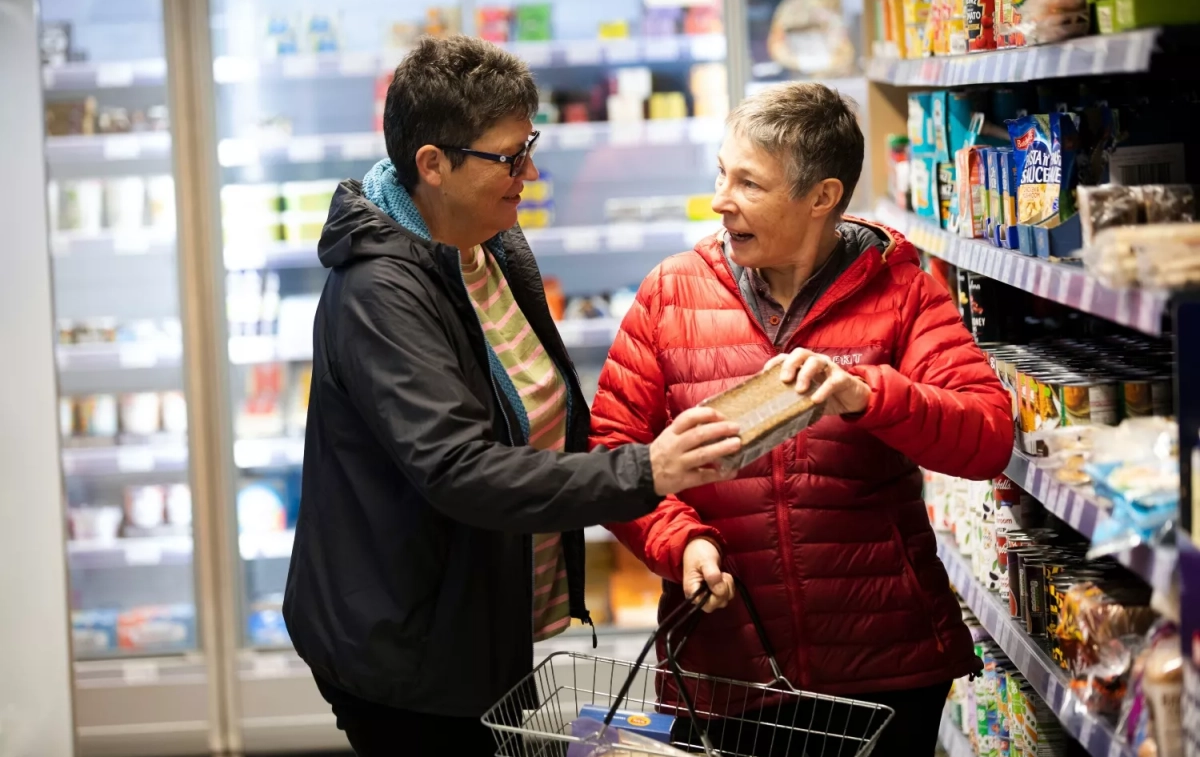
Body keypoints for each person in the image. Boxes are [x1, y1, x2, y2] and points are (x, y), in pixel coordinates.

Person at [282, 35, 742, 757]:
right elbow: (461, 467)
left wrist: (668, 517)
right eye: (507, 156)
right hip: (408, 651)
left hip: (478, 615)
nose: (529, 170)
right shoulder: (380, 293)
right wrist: (646, 470)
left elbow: (541, 412)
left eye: (528, 143)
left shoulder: (485, 243)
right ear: (432, 165)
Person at [590, 82, 1014, 757]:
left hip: (884, 668)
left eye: (748, 183)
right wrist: (682, 543)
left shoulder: (899, 290)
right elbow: (613, 452)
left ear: (821, 197)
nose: (721, 201)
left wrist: (870, 394)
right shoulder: (673, 291)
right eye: (721, 174)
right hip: (727, 666)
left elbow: (988, 435)